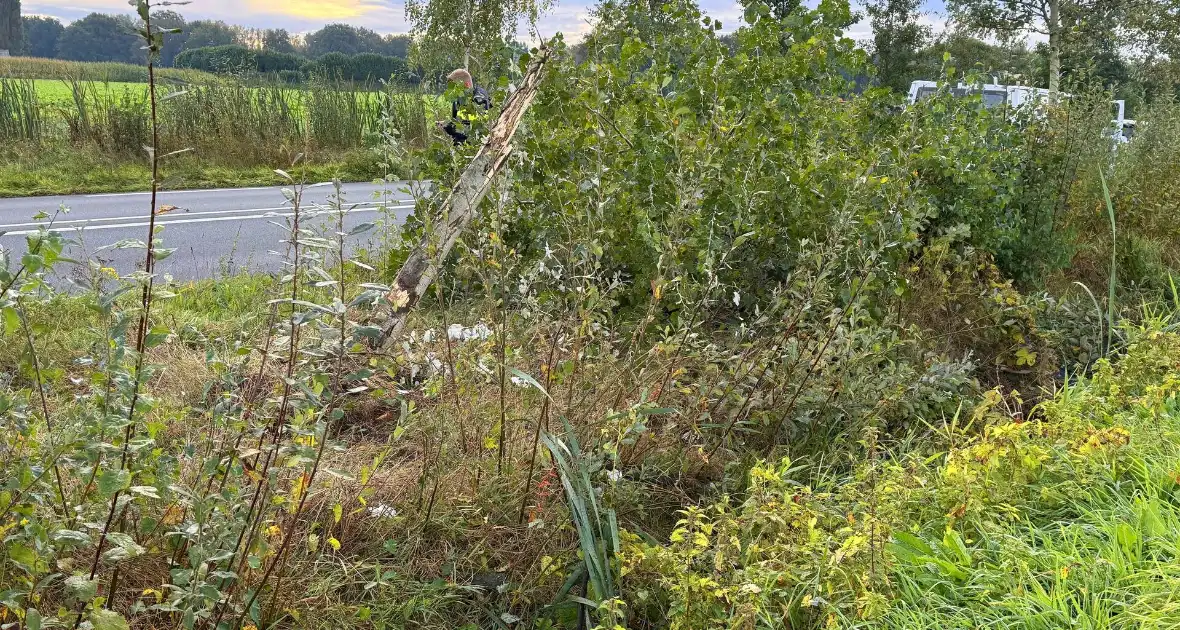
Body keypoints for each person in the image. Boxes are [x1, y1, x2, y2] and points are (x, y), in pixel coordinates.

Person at [438, 68, 491, 145]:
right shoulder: (459, 99)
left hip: (474, 148)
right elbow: (458, 121)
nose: (452, 92)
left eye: (455, 88)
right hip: (460, 146)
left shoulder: (479, 99)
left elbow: (472, 130)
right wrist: (445, 123)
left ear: (466, 85)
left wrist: (448, 127)